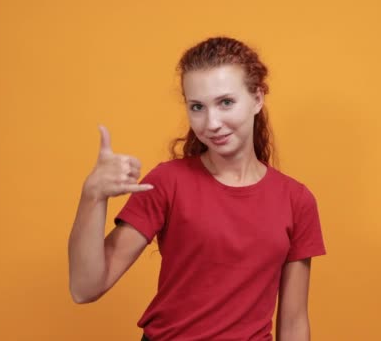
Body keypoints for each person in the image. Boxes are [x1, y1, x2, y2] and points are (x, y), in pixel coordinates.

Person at [68, 36, 327, 341]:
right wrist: (92, 196)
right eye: (197, 107)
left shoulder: (296, 200)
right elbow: (85, 288)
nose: (211, 122)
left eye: (226, 102)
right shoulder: (168, 182)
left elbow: (294, 323)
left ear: (257, 99)